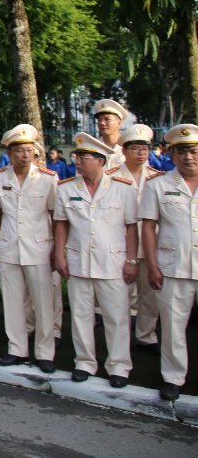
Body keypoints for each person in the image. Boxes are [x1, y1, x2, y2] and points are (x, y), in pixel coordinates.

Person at [54, 133, 138, 388]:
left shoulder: (123, 188)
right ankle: (84, 362)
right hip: (79, 260)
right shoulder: (66, 188)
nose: (78, 161)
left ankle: (119, 366)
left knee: (117, 317)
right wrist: (59, 254)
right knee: (80, 315)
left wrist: (132, 260)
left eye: (84, 157)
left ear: (101, 161)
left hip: (113, 263)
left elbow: (131, 227)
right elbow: (61, 225)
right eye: (77, 156)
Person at [0, 124, 58, 373]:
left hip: (39, 248)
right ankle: (16, 348)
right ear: (10, 153)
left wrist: (57, 249)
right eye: (20, 150)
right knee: (13, 301)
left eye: (30, 150)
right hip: (9, 246)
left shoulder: (48, 179)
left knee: (43, 302)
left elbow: (55, 216)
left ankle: (45, 352)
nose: (26, 155)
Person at [140, 123, 198, 401]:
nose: (188, 157)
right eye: (182, 152)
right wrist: (151, 264)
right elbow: (148, 227)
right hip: (172, 266)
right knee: (173, 326)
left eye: (194, 151)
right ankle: (173, 377)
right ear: (172, 155)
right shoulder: (158, 185)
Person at [106, 124, 160, 355]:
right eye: (135, 148)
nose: (141, 153)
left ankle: (147, 336)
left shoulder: (159, 179)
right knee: (120, 296)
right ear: (124, 151)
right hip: (121, 246)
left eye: (145, 148)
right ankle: (121, 337)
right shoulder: (110, 178)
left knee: (150, 295)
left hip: (151, 245)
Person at [94, 98, 128, 170]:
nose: (102, 123)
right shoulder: (92, 147)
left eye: (107, 119)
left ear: (119, 122)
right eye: (99, 120)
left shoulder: (129, 147)